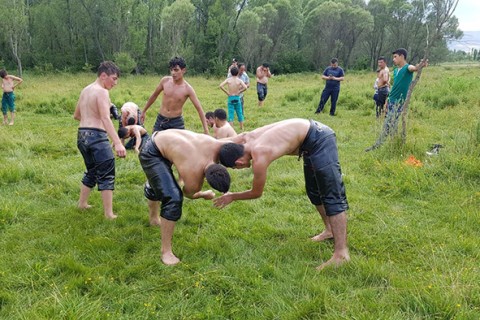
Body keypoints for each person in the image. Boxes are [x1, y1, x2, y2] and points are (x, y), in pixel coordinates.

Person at [214, 118, 349, 270]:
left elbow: (256, 193)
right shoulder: (247, 137)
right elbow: (218, 142)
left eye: (237, 168)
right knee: (314, 193)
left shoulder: (259, 154)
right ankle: (330, 231)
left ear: (238, 163)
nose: (243, 168)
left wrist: (232, 196)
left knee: (332, 196)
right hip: (309, 142)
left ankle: (341, 254)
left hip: (320, 139)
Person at [139, 129, 232, 265]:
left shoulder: (214, 147)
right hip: (151, 152)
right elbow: (187, 193)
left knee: (163, 187)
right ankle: (166, 252)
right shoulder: (194, 176)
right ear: (206, 180)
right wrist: (202, 194)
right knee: (173, 198)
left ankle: (154, 202)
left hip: (161, 137)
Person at [73, 61, 126, 220]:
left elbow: (76, 115)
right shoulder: (102, 92)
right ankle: (109, 214)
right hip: (97, 137)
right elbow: (104, 118)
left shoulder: (85, 90)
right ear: (103, 76)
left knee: (92, 170)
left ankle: (82, 204)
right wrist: (117, 142)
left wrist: (93, 117)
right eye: (114, 78)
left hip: (82, 136)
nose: (115, 83)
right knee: (107, 172)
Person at [366, 48, 428, 151]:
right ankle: (393, 145)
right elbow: (394, 86)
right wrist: (387, 100)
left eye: (395, 57)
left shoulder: (407, 68)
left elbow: (415, 68)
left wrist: (421, 65)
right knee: (391, 123)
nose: (393, 59)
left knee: (389, 123)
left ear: (402, 56)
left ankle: (379, 145)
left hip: (399, 102)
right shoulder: (395, 70)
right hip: (391, 100)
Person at [141, 57, 209, 134]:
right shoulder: (165, 81)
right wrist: (144, 111)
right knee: (153, 143)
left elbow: (199, 109)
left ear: (183, 70)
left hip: (176, 122)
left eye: (176, 70)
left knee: (179, 145)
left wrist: (206, 129)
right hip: (161, 119)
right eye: (171, 70)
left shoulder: (188, 89)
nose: (173, 73)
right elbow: (154, 95)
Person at [219, 66, 248, 131]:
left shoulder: (228, 80)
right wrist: (240, 91)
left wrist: (227, 92)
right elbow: (245, 87)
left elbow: (220, 85)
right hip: (237, 97)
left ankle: (231, 129)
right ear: (237, 73)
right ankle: (242, 127)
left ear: (231, 73)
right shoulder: (239, 80)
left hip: (230, 97)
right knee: (239, 112)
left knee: (230, 113)